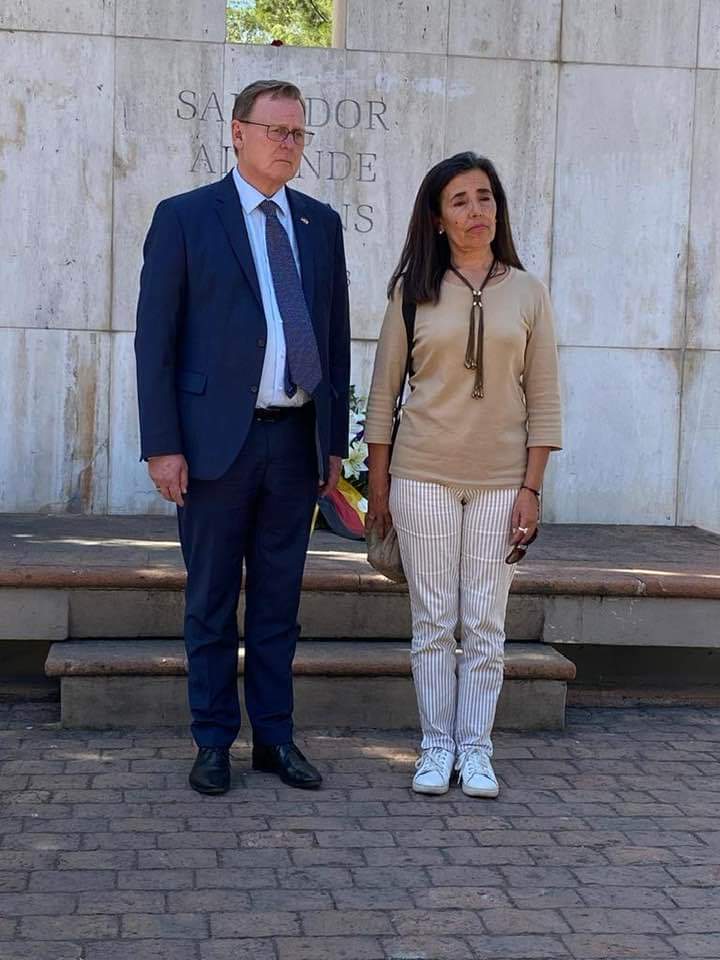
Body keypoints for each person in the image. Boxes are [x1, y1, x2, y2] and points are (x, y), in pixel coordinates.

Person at [135, 79, 350, 795]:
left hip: (294, 444)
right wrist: (162, 443)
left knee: (279, 604)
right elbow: (154, 340)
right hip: (212, 448)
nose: (288, 144)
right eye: (275, 131)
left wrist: (333, 442)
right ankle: (213, 742)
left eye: (298, 133)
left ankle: (275, 741)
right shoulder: (186, 217)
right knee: (211, 600)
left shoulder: (320, 225)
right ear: (237, 132)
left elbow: (335, 340)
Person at [364, 152, 562, 798]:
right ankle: (433, 747)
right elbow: (383, 395)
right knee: (432, 621)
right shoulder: (412, 291)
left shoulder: (528, 293)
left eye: (485, 198)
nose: (476, 211)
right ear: (438, 217)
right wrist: (381, 487)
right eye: (460, 201)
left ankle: (476, 750)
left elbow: (545, 399)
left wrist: (532, 488)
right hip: (422, 474)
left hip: (503, 481)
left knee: (484, 622)